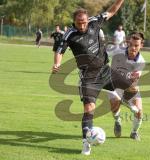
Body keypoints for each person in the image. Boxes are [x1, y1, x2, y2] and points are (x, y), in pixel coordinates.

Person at [51, 0, 138, 155]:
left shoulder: (94, 22)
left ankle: (123, 100)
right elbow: (60, 50)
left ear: (87, 20)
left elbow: (111, 11)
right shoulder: (70, 34)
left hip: (105, 70)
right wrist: (57, 64)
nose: (82, 25)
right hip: (89, 78)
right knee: (89, 109)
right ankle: (86, 143)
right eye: (79, 23)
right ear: (74, 22)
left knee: (133, 89)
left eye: (84, 22)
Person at [108, 32, 145, 141]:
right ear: (128, 43)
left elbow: (133, 83)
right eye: (131, 44)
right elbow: (103, 54)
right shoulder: (117, 51)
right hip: (114, 85)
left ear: (141, 46)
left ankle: (134, 132)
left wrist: (126, 98)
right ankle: (117, 121)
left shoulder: (140, 62)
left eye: (136, 45)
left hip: (129, 86)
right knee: (115, 105)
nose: (133, 48)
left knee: (139, 112)